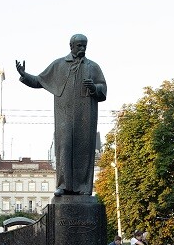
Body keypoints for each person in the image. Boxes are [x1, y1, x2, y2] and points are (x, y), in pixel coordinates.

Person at [16, 34, 106, 196]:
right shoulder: (59, 65)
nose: (82, 48)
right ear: (71, 45)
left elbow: (103, 89)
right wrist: (24, 75)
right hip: (64, 115)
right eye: (79, 45)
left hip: (85, 116)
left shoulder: (93, 67)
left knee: (84, 150)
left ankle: (84, 188)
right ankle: (63, 185)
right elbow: (39, 81)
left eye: (85, 46)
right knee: (64, 146)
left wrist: (94, 88)